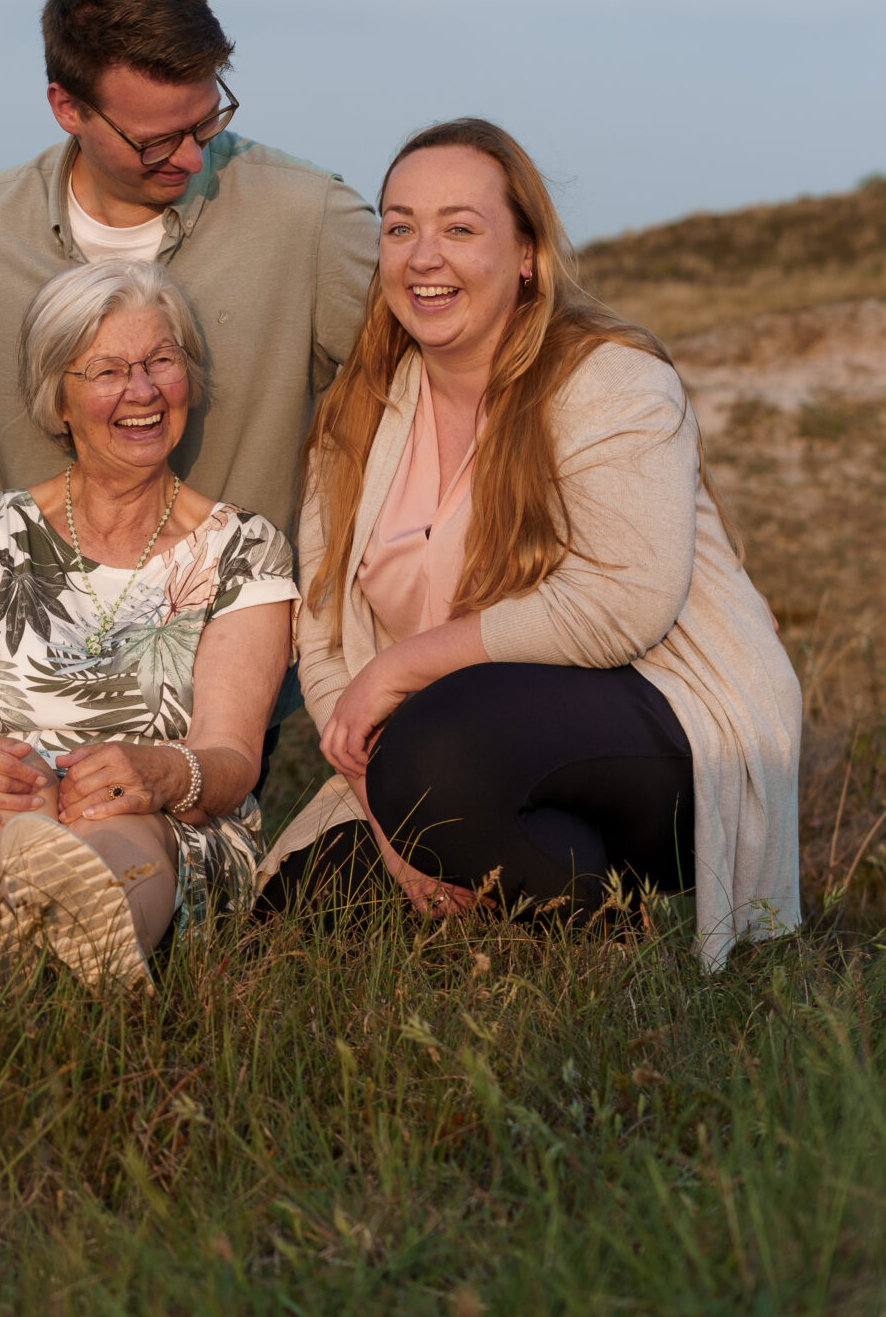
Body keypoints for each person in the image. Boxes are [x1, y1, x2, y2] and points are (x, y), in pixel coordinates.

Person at [259, 118, 800, 969]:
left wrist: (400, 670)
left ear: (526, 254)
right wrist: (385, 812)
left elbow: (624, 604)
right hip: (439, 751)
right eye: (400, 227)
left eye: (459, 228)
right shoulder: (355, 411)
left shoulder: (608, 377)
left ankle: (609, 951)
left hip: (663, 721)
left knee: (439, 749)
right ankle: (513, 886)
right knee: (298, 910)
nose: (422, 255)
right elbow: (324, 640)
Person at [0, 261, 295, 999]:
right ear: (59, 399)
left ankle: (72, 953)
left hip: (165, 817)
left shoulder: (245, 548)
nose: (141, 391)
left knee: (116, 821)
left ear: (189, 377)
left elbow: (233, 755)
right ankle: (5, 954)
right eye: (107, 370)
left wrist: (162, 772)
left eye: (160, 362)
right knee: (4, 810)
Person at [0, 0, 376, 539]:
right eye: (156, 140)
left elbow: (441, 391)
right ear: (67, 107)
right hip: (39, 628)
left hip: (268, 621)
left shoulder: (312, 216)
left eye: (206, 122)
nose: (192, 158)